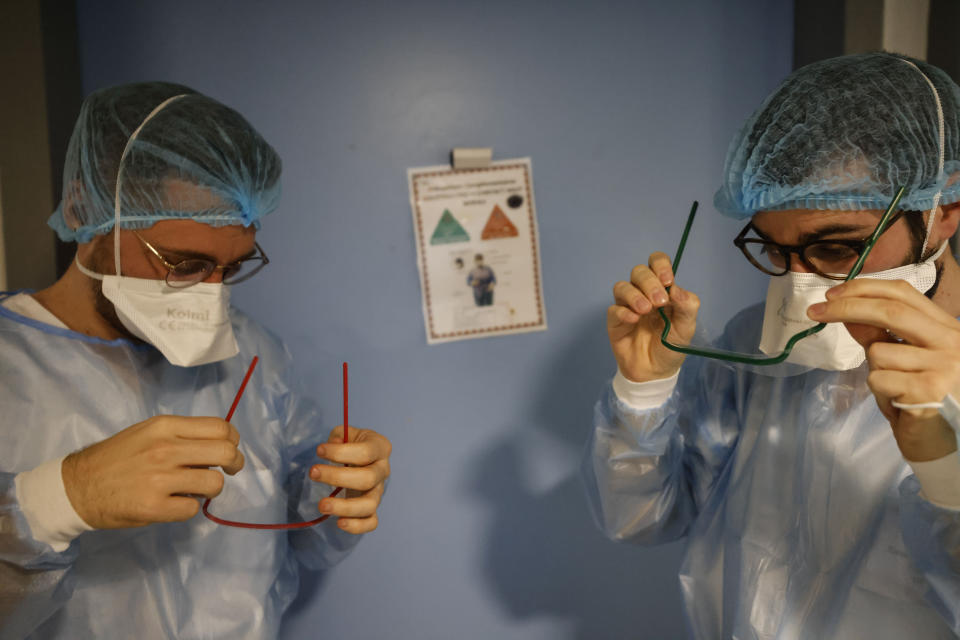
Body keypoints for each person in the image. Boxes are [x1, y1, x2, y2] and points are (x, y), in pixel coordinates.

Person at [583, 53, 960, 638]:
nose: (801, 287)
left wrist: (948, 469)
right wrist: (643, 390)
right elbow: (644, 519)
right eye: (775, 252)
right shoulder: (751, 349)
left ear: (945, 210)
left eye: (837, 248)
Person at [0, 82, 392, 639]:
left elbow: (301, 537)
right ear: (88, 210)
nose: (210, 295)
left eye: (230, 270)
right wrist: (61, 499)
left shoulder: (253, 351)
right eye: (182, 264)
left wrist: (332, 493)